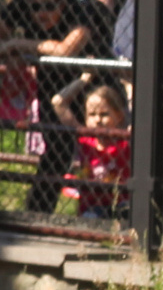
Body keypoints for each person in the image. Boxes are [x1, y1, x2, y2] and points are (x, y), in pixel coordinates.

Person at [0, 0, 107, 215]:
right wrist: (4, 50)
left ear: (62, 2)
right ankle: (37, 213)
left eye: (49, 6)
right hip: (51, 83)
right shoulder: (20, 5)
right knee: (57, 151)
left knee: (100, 149)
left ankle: (107, 212)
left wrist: (17, 44)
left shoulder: (81, 9)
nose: (41, 14)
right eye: (35, 7)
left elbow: (66, 50)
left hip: (90, 83)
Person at [48, 78, 132, 220]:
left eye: (104, 114)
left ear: (119, 116)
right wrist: (84, 79)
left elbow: (140, 114)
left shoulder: (125, 140)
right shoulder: (85, 139)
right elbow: (58, 103)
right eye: (92, 115)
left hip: (121, 203)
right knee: (90, 218)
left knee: (128, 214)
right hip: (92, 206)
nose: (97, 120)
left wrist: (130, 88)